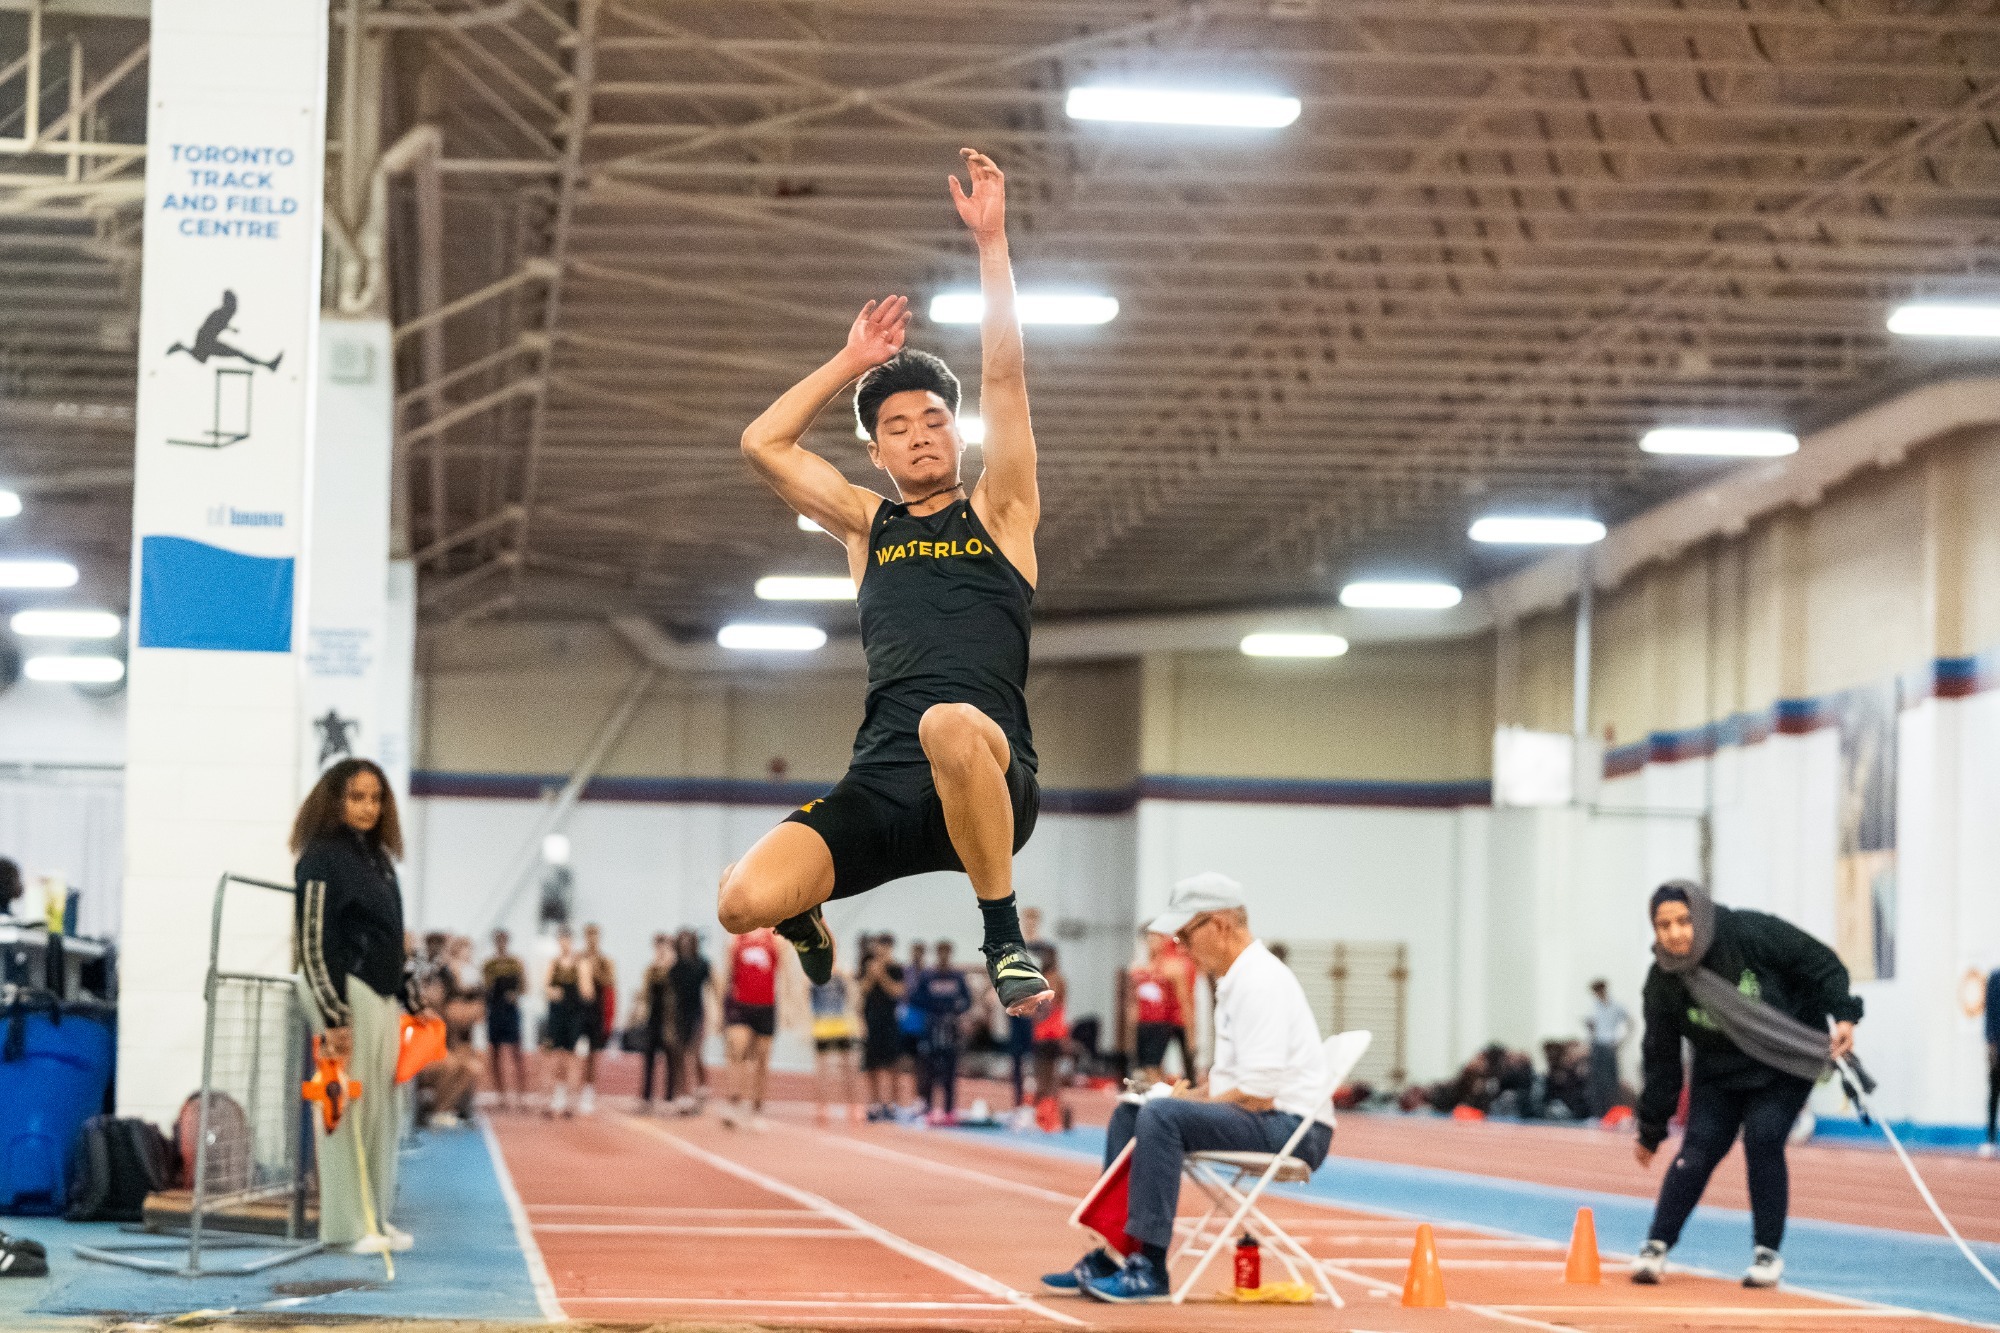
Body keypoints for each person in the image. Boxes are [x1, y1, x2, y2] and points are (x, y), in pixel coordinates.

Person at [717, 148, 1052, 1019]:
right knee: (740, 901)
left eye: (934, 420)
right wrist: (850, 360)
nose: (919, 435)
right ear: (876, 452)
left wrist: (992, 245)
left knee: (948, 722)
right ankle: (806, 913)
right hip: (882, 786)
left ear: (959, 434)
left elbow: (1006, 377)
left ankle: (1002, 935)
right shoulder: (869, 526)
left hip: (989, 776)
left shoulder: (1003, 511)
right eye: (897, 427)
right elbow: (762, 444)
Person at [1044, 874, 1332, 1302]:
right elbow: (1231, 1087)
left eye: (1185, 934)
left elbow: (1258, 1095)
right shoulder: (1235, 981)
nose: (1180, 947)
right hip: (1266, 1115)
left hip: (1294, 1128)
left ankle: (1150, 1268)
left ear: (1220, 924)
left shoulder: (1260, 981)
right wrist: (1180, 1097)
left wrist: (1176, 1105)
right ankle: (1117, 1251)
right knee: (1131, 1111)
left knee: (1160, 1115)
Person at [1630, 880, 1861, 1290]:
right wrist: (1651, 1128)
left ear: (1700, 916)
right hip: (1718, 1071)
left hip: (1782, 1061)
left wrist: (1844, 1015)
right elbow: (1661, 1057)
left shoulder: (1748, 932)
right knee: (1697, 1150)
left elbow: (1820, 962)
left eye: (1683, 921)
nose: (1675, 933)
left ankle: (1766, 1254)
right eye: (1664, 926)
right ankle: (1656, 1246)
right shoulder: (1663, 980)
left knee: (1764, 1138)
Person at [292, 758, 417, 1254]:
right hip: (345, 992)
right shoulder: (320, 858)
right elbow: (312, 941)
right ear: (335, 800)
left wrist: (411, 997)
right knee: (343, 1110)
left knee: (382, 1114)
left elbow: (392, 937)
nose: (368, 807)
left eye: (375, 798)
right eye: (356, 797)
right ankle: (345, 1229)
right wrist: (333, 1015)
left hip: (381, 995)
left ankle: (375, 1219)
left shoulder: (379, 860)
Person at [720, 926, 780, 1129]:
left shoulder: (775, 936)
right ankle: (734, 1102)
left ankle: (756, 1107)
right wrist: (721, 1009)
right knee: (738, 1051)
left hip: (766, 1005)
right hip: (740, 1005)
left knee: (761, 1058)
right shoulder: (737, 934)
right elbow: (728, 972)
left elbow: (783, 973)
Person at [911, 939, 972, 1123]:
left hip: (951, 1029)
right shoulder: (928, 976)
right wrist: (933, 1008)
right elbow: (916, 998)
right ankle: (929, 1108)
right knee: (929, 1070)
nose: (944, 956)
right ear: (937, 954)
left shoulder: (957, 977)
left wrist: (956, 1011)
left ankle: (949, 1110)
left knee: (950, 1072)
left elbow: (967, 1000)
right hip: (932, 1029)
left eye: (947, 952)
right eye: (941, 952)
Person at [541, 926, 594, 1117]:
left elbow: (588, 993)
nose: (565, 943)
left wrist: (583, 984)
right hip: (557, 1016)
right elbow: (545, 987)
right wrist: (552, 992)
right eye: (561, 939)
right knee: (554, 1057)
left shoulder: (581, 964)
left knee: (572, 1058)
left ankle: (570, 1101)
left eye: (567, 939)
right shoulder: (553, 964)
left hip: (574, 1016)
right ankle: (555, 1098)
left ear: (572, 941)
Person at [1129, 929, 1192, 1087]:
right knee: (1142, 1067)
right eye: (1149, 938)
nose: (1151, 943)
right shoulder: (1138, 968)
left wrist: (1190, 1032)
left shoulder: (1172, 967)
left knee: (1153, 1066)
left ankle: (1157, 1095)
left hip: (1161, 1022)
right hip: (1142, 1022)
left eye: (1155, 938)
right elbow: (1133, 999)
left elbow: (1184, 1000)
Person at [858, 934, 907, 1121]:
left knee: (893, 1065)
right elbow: (861, 991)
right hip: (871, 1021)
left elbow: (897, 992)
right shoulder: (867, 965)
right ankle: (875, 1103)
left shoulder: (896, 968)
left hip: (890, 1022)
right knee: (872, 1065)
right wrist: (872, 975)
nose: (881, 950)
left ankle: (893, 1104)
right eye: (879, 945)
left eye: (885, 946)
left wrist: (882, 975)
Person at [810, 960, 863, 1123]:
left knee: (849, 1068)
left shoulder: (842, 976)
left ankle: (854, 1105)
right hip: (822, 1025)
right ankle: (822, 1107)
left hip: (841, 1025)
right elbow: (806, 999)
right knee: (823, 1070)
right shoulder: (813, 976)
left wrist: (849, 980)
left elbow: (853, 998)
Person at [667, 928, 713, 1111]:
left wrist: (715, 1014)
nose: (685, 946)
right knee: (679, 1054)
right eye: (682, 943)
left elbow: (713, 988)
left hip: (697, 1013)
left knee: (694, 1053)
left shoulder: (703, 964)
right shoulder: (674, 967)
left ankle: (701, 1086)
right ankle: (683, 1093)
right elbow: (670, 994)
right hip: (679, 1014)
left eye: (688, 942)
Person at [635, 933, 680, 1113]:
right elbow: (644, 993)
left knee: (670, 1059)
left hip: (669, 1020)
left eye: (664, 947)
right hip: (653, 1018)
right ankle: (647, 1097)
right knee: (649, 1058)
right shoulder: (650, 970)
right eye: (658, 947)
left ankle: (669, 1097)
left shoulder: (675, 970)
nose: (660, 951)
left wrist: (669, 966)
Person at [483, 930, 528, 1109]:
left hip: (511, 1011)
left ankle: (520, 1095)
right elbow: (484, 988)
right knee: (495, 1054)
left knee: (516, 1052)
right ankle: (501, 1096)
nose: (501, 943)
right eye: (498, 940)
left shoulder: (516, 963)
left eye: (503, 940)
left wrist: (516, 995)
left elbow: (524, 987)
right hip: (495, 1011)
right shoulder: (489, 964)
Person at [1031, 942, 1072, 1131]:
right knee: (1044, 1076)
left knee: (1048, 1077)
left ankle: (1051, 1116)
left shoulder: (1052, 979)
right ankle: (1046, 1114)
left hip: (1051, 1033)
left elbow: (1047, 1006)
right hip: (1044, 1033)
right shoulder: (1046, 979)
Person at [578, 923, 616, 1116]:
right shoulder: (578, 958)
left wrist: (610, 1020)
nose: (592, 939)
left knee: (592, 1055)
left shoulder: (605, 962)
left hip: (596, 1014)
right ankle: (572, 1089)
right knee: (574, 1054)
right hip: (579, 1012)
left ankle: (588, 1091)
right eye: (589, 935)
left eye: (595, 935)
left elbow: (610, 986)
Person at [1586, 978, 1633, 1118]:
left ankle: (1612, 1113)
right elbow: (1592, 1028)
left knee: (1611, 1082)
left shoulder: (1617, 1006)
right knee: (1597, 1082)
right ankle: (1598, 1114)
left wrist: (1621, 1041)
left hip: (1610, 1046)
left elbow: (1630, 1024)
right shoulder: (1593, 1007)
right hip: (1598, 1046)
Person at [1984, 964, 2000, 1159]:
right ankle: (1990, 1139)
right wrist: (1991, 1043)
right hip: (1997, 1046)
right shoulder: (1995, 978)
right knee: (1994, 1092)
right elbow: (1990, 1013)